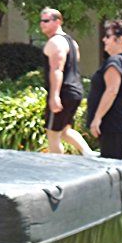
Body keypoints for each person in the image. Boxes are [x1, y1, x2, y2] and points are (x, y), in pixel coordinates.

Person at [40, 8, 96, 156]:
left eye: (46, 21)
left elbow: (57, 70)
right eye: (41, 21)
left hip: (63, 92)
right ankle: (89, 154)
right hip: (75, 91)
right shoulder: (72, 42)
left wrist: (55, 96)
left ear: (58, 21)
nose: (42, 24)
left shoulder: (55, 42)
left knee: (53, 134)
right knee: (65, 130)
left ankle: (57, 167)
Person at [87, 19, 122, 160]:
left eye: (108, 36)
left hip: (112, 124)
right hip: (119, 123)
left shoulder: (116, 61)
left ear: (120, 40)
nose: (104, 40)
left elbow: (112, 90)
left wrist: (97, 119)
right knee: (116, 166)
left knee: (112, 167)